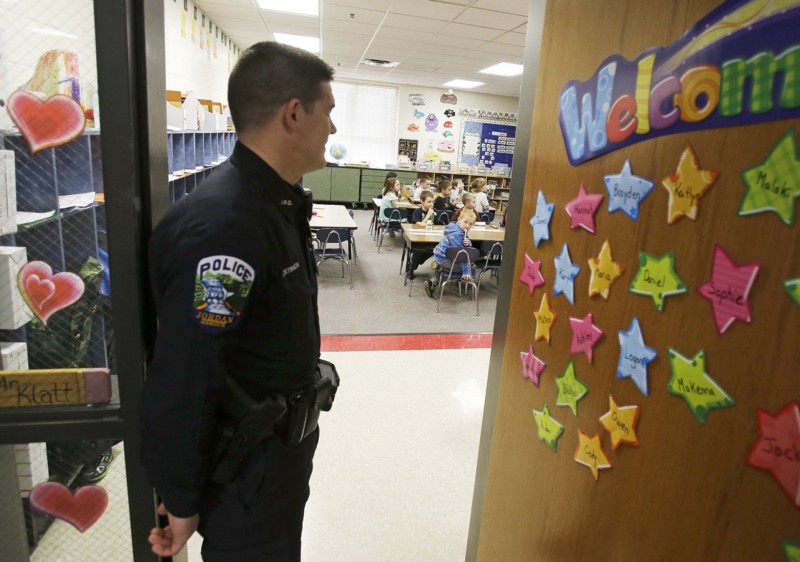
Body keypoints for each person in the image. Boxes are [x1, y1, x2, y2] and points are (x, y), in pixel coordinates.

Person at [140, 41, 338, 561]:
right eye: (329, 113)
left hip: (276, 460)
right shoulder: (227, 227)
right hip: (249, 470)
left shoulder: (273, 203)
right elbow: (187, 372)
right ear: (293, 115)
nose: (333, 130)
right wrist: (181, 498)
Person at [424, 208, 477, 298]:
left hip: (441, 255)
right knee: (471, 267)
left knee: (466, 263)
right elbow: (460, 255)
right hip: (445, 258)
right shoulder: (456, 234)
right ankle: (434, 281)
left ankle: (438, 273)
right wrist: (466, 271)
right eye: (465, 222)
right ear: (459, 220)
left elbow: (465, 244)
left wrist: (468, 243)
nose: (467, 226)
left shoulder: (456, 226)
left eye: (471, 224)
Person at [407, 190, 437, 280]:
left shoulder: (434, 211)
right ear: (422, 202)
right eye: (429, 202)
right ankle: (411, 269)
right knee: (418, 252)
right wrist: (428, 216)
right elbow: (417, 226)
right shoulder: (417, 212)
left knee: (438, 250)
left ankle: (416, 262)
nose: (431, 204)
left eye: (432, 202)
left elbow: (439, 224)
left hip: (432, 237)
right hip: (419, 238)